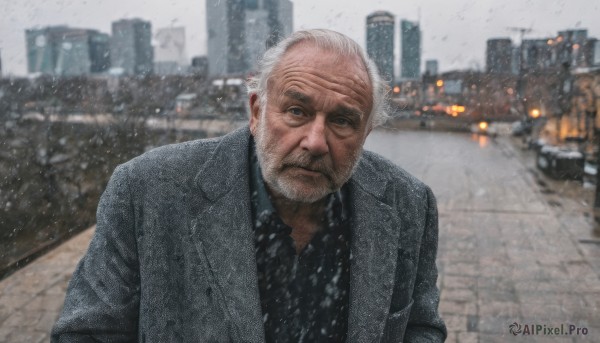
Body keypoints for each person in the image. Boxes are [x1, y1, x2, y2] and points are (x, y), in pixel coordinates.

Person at [52, 29, 446, 342]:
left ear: (367, 132)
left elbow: (420, 327)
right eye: (296, 111)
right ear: (256, 111)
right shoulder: (147, 191)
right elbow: (86, 334)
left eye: (343, 121)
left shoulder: (410, 205)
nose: (315, 141)